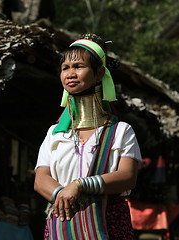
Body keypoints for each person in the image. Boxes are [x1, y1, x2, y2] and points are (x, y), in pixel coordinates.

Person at [34, 33, 142, 239]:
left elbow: (127, 177)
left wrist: (80, 185)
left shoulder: (121, 131)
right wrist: (60, 194)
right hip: (62, 223)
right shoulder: (55, 133)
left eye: (78, 66)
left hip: (108, 224)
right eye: (65, 68)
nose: (70, 74)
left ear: (99, 73)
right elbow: (40, 179)